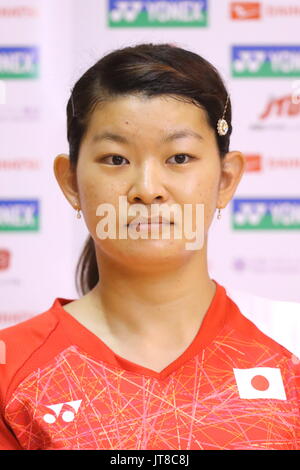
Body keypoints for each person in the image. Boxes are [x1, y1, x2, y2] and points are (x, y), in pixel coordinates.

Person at [1, 42, 300, 451]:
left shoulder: (290, 349)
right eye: (116, 159)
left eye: (179, 157)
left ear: (226, 180)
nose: (146, 189)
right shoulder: (10, 369)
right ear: (70, 181)